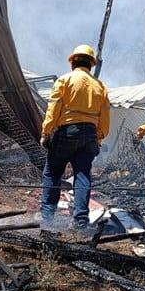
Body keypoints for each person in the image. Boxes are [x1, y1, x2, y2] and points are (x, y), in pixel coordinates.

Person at [40, 44, 110, 229]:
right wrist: (99, 137)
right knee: (82, 175)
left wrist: (46, 132)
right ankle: (80, 220)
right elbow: (105, 117)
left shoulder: (65, 80)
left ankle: (47, 219)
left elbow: (53, 108)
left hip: (66, 132)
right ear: (91, 65)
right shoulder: (100, 86)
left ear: (72, 62)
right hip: (89, 135)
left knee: (53, 172)